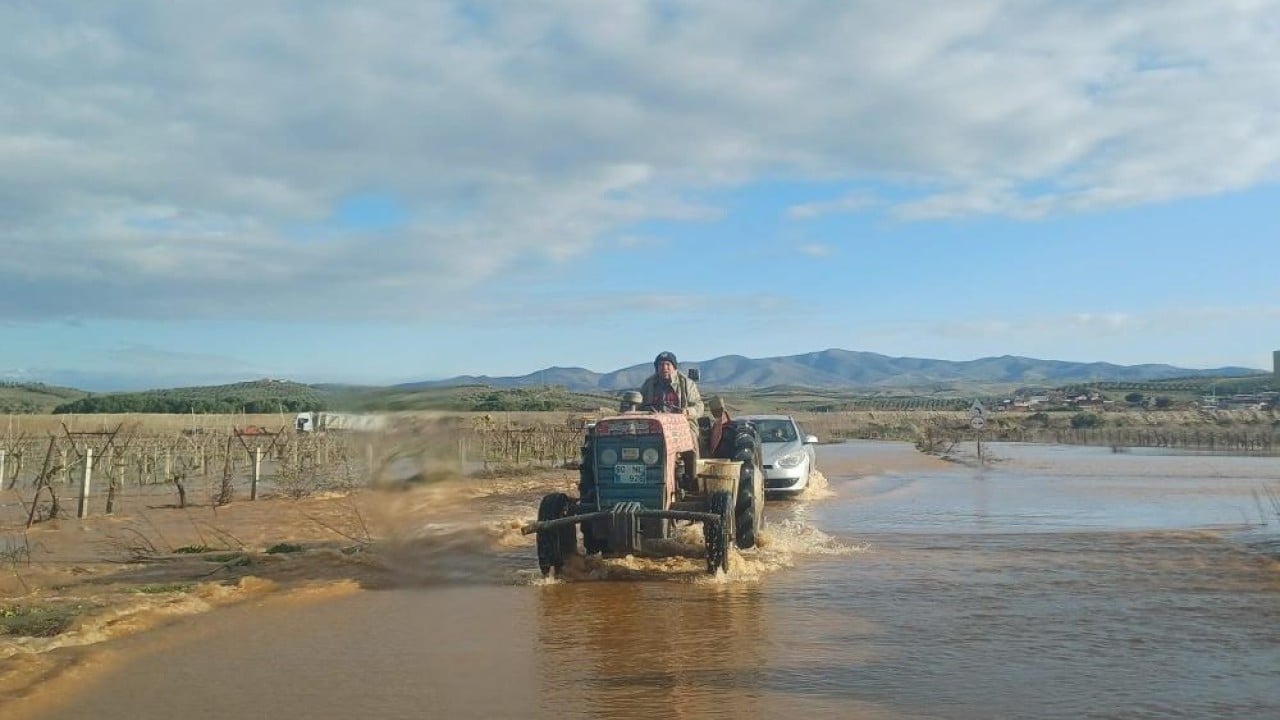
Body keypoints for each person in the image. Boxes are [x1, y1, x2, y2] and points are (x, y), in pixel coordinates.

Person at [639, 351, 704, 420]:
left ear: (674, 367)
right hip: (654, 422)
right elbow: (639, 404)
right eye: (661, 364)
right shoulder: (649, 384)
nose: (664, 367)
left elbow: (699, 407)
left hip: (682, 422)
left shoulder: (687, 384)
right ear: (657, 368)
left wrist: (687, 412)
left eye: (668, 364)